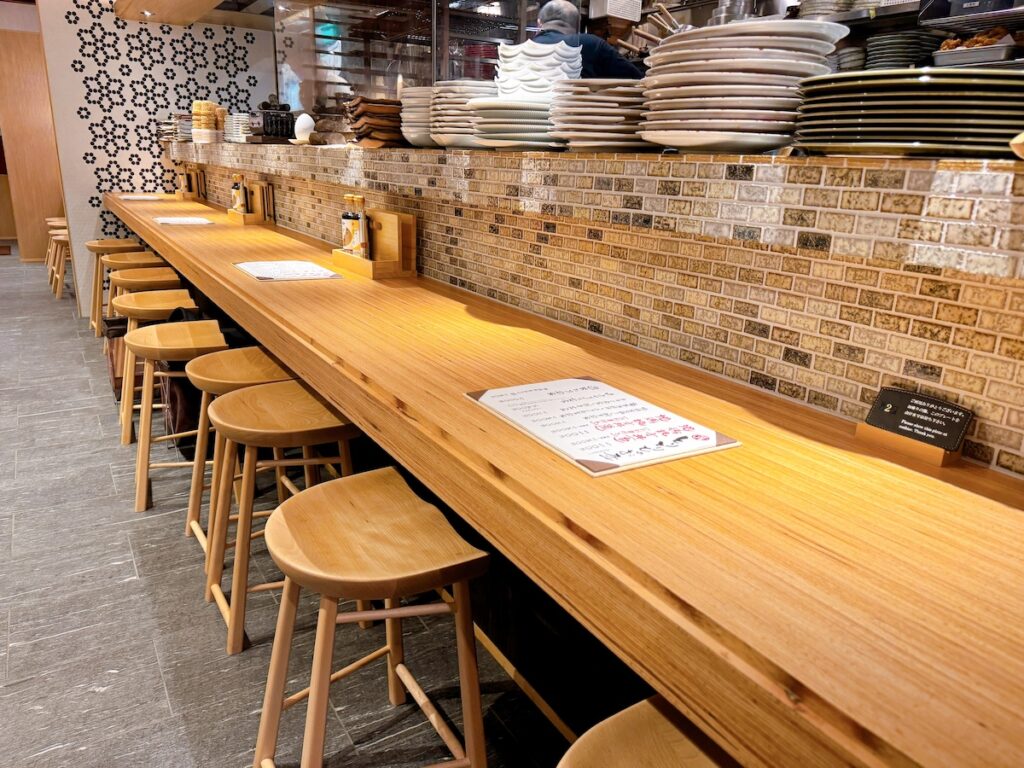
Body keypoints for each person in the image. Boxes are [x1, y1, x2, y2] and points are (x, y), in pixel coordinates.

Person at [533, 0, 643, 79]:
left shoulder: (523, 48)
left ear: (539, 23)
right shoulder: (591, 44)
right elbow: (638, 80)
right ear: (577, 25)